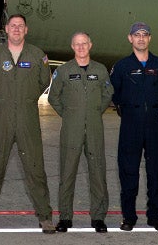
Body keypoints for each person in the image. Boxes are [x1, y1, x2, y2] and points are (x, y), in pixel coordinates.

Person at [0, 14, 55, 234]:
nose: (17, 29)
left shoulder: (37, 55)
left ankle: (45, 216)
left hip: (28, 118)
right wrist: (1, 99)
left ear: (26, 30)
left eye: (21, 26)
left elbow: (44, 81)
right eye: (13, 26)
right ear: (6, 29)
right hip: (1, 118)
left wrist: (26, 98)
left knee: (35, 168)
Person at [109, 22, 158, 232]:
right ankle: (129, 216)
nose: (141, 38)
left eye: (145, 34)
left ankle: (155, 216)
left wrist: (156, 107)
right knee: (128, 170)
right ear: (130, 38)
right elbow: (114, 92)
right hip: (130, 125)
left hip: (153, 125)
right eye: (137, 35)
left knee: (155, 172)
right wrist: (128, 109)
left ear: (149, 38)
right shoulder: (121, 66)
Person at [48, 32, 113, 233]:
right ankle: (65, 217)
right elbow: (53, 97)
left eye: (84, 43)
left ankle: (98, 217)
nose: (81, 47)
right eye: (77, 44)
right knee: (67, 173)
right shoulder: (64, 70)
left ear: (90, 45)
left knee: (98, 173)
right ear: (72, 46)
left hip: (94, 128)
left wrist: (94, 111)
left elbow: (108, 93)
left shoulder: (100, 70)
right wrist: (69, 115)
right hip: (71, 130)